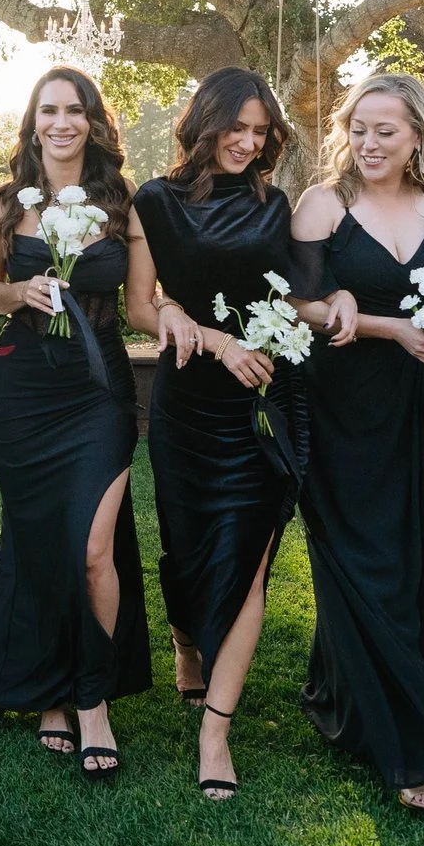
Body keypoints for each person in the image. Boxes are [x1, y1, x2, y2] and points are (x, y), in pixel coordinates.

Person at [287, 72, 424, 815]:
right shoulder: (324, 203)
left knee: (420, 563)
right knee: (364, 562)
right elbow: (302, 305)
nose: (369, 143)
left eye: (385, 130)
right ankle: (410, 753)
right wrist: (390, 326)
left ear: (418, 132)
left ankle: (347, 692)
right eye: (358, 128)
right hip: (344, 409)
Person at [128, 68, 354, 799]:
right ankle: (186, 637)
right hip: (189, 399)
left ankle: (215, 732)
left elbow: (285, 290)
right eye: (238, 128)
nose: (249, 143)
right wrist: (189, 325)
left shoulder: (272, 198)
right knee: (188, 545)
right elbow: (140, 304)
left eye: (261, 132)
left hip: (263, 398)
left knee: (250, 559)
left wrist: (335, 302)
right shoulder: (155, 202)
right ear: (206, 123)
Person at [0, 67, 151, 779]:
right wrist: (22, 288)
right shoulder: (7, 199)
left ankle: (92, 696)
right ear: (33, 120)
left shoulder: (122, 203)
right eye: (49, 109)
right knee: (42, 539)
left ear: (94, 120)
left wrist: (193, 324)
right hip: (21, 389)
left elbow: (142, 302)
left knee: (94, 546)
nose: (62, 121)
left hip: (98, 390)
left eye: (75, 109)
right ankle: (49, 686)